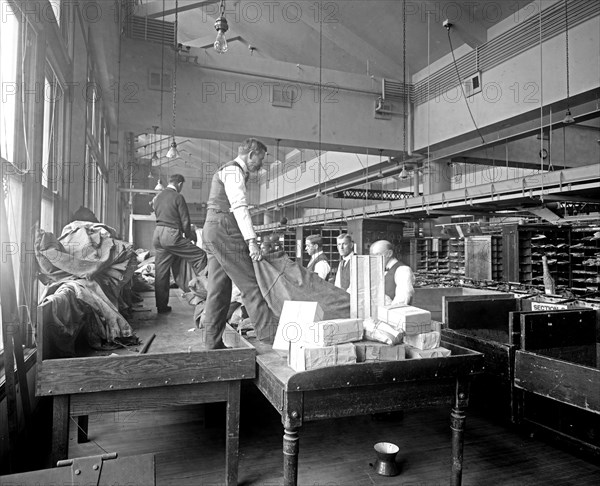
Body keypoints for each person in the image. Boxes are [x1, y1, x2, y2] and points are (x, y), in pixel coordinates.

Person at [202, 138, 278, 349]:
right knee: (252, 285)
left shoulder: (226, 170)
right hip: (225, 227)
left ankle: (212, 343)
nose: (260, 164)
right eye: (260, 159)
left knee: (219, 289)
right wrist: (251, 241)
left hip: (211, 228)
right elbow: (239, 206)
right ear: (251, 153)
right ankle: (271, 341)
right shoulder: (234, 171)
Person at [152, 173, 207, 313]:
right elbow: (185, 221)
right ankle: (204, 292)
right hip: (171, 235)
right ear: (180, 184)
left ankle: (161, 307)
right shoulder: (178, 197)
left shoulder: (158, 197)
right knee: (200, 255)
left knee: (161, 272)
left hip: (157, 235)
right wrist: (190, 236)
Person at [369, 239, 415, 306]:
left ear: (389, 253)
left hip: (391, 314)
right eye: (371, 255)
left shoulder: (403, 270)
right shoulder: (377, 269)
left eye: (377, 254)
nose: (372, 259)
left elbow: (402, 300)